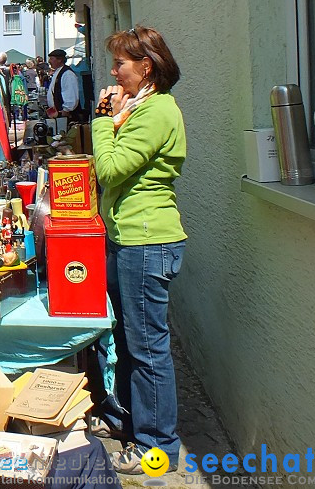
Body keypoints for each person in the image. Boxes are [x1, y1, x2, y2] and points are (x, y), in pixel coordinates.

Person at [90, 25, 186, 474]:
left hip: (147, 241)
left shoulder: (156, 112)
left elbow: (109, 169)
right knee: (129, 342)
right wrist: (117, 119)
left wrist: (102, 121)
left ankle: (157, 450)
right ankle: (131, 424)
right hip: (128, 239)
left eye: (120, 64)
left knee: (148, 349)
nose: (113, 72)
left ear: (146, 67)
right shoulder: (139, 108)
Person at [46, 48, 80, 119]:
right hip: (58, 114)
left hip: (65, 116)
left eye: (52, 59)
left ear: (59, 60)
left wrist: (66, 110)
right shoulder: (58, 72)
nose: (49, 61)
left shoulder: (67, 74)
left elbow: (70, 94)